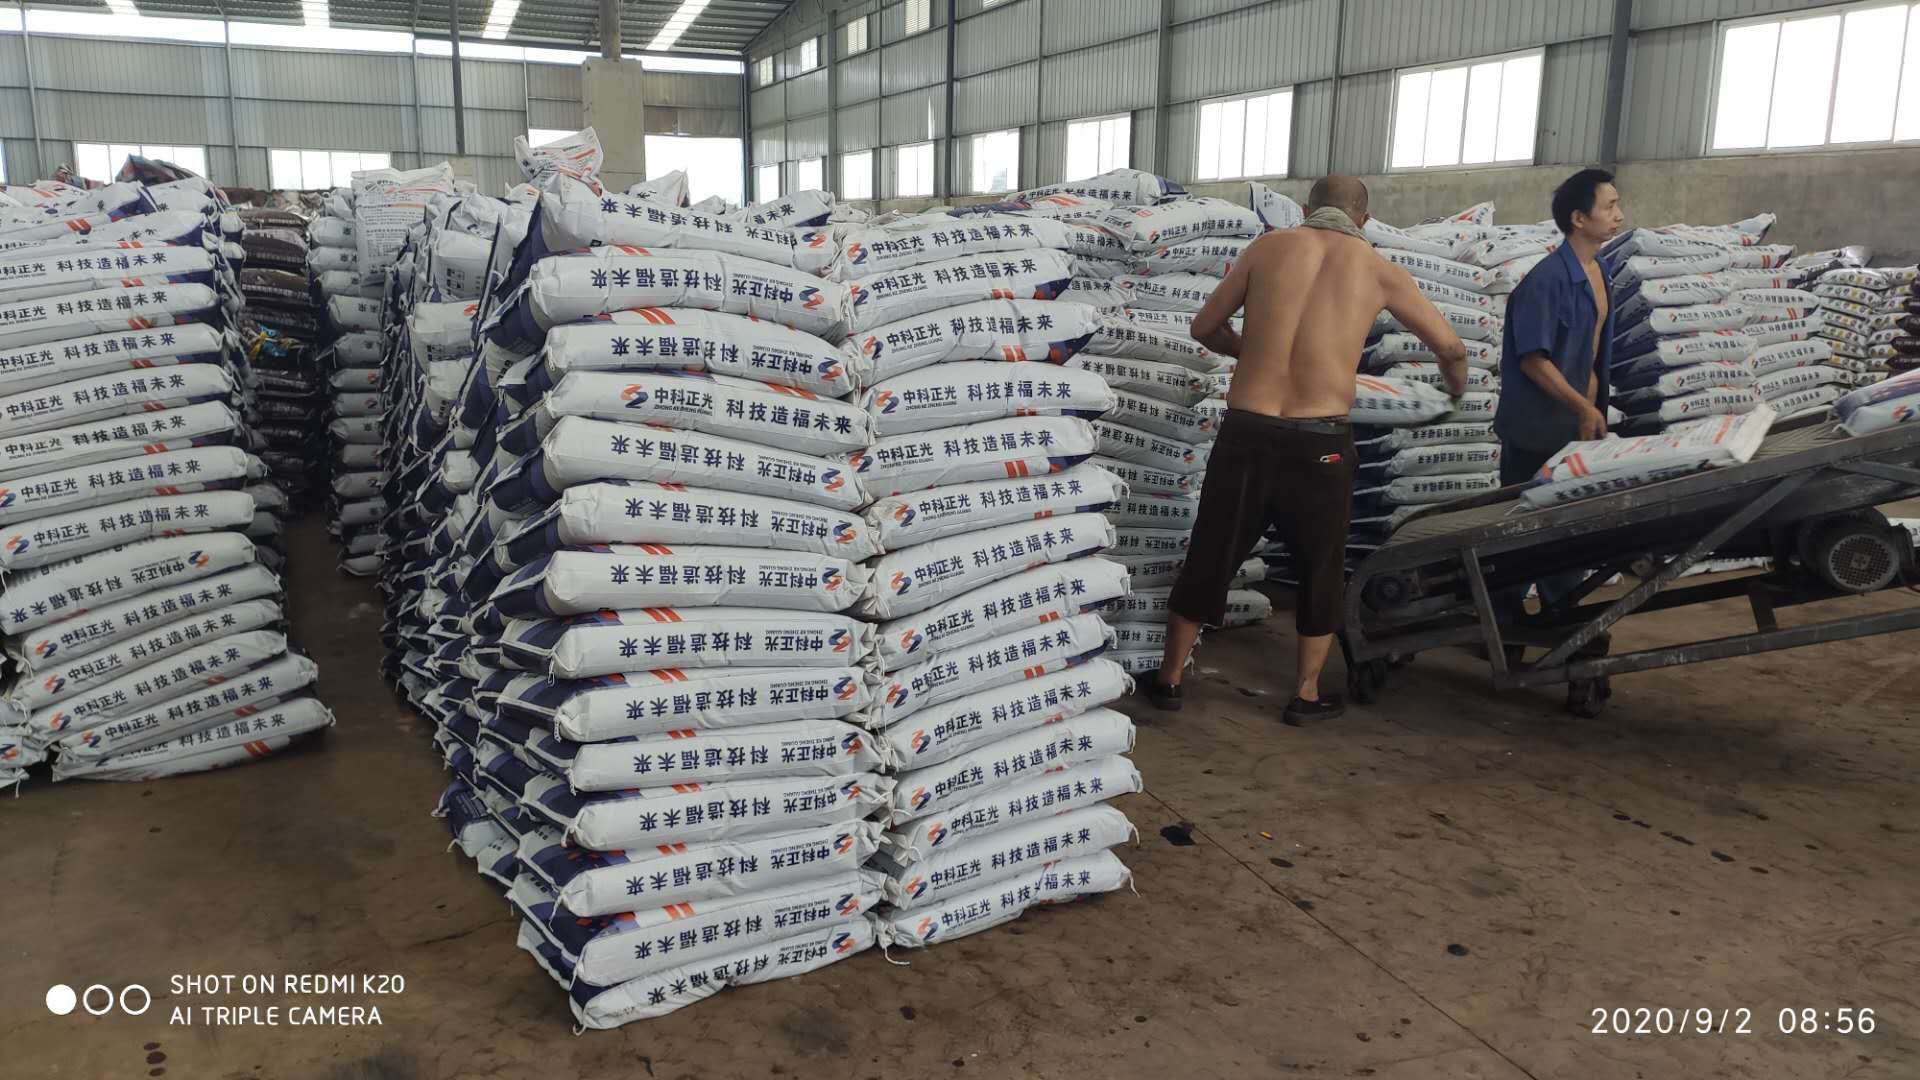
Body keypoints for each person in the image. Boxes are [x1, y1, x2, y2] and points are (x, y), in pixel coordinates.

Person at [1147, 176, 1469, 724]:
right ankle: (1306, 693)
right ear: (1364, 220)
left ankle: (1170, 678)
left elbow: (1205, 327)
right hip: (1320, 442)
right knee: (1321, 564)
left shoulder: (1267, 249)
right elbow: (1452, 348)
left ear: (1305, 208)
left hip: (1248, 431)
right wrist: (1452, 395)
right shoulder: (1380, 270)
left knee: (1212, 552)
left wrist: (1253, 352)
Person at [1491, 169, 1625, 625]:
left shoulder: (1600, 272)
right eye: (1609, 206)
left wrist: (1589, 412)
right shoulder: (1546, 281)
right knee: (1521, 531)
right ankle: (1505, 627)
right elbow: (1533, 360)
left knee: (1566, 532)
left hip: (1576, 428)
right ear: (1578, 218)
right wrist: (1582, 406)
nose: (1618, 215)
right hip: (1536, 429)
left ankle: (1557, 621)